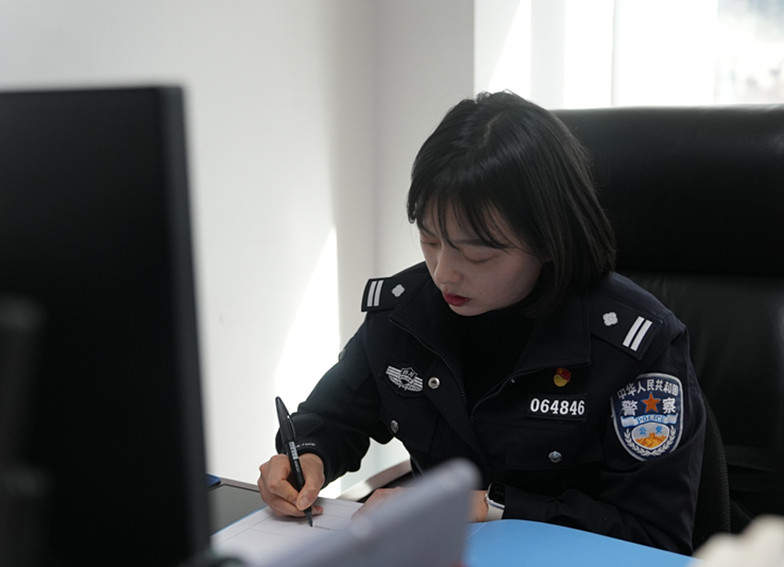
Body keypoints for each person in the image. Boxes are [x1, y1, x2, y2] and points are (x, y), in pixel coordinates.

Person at [257, 91, 706, 554]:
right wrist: (307, 457)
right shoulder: (404, 314)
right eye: (430, 240)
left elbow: (653, 538)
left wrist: (486, 506)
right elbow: (333, 417)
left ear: (550, 241)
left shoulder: (634, 346)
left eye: (477, 255)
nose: (443, 273)